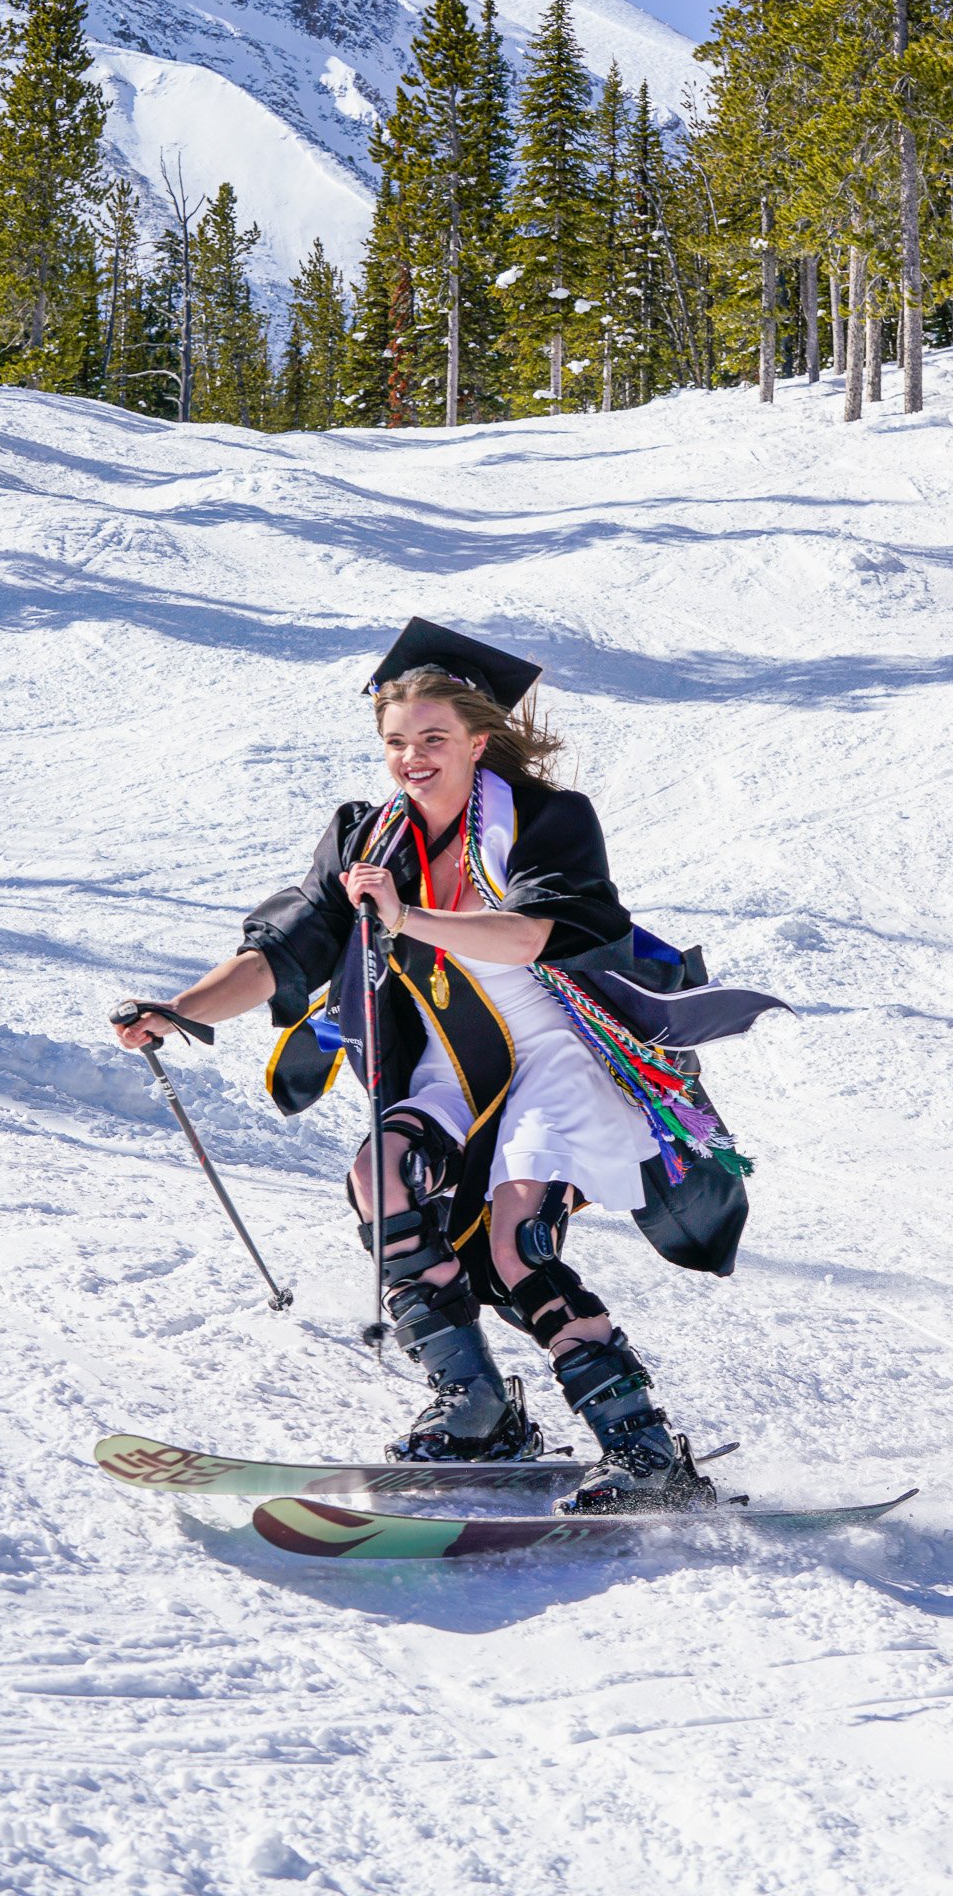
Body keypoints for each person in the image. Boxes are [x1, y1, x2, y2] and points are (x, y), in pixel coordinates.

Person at [113, 619, 785, 1513]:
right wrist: (179, 1011)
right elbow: (286, 951)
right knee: (380, 1178)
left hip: (560, 1056)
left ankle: (646, 1451)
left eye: (433, 739)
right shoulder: (366, 841)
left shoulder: (547, 820)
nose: (413, 758)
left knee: (517, 1242)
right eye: (396, 742)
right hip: (451, 1065)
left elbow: (535, 934)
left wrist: (405, 919)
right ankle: (474, 1409)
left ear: (478, 739)